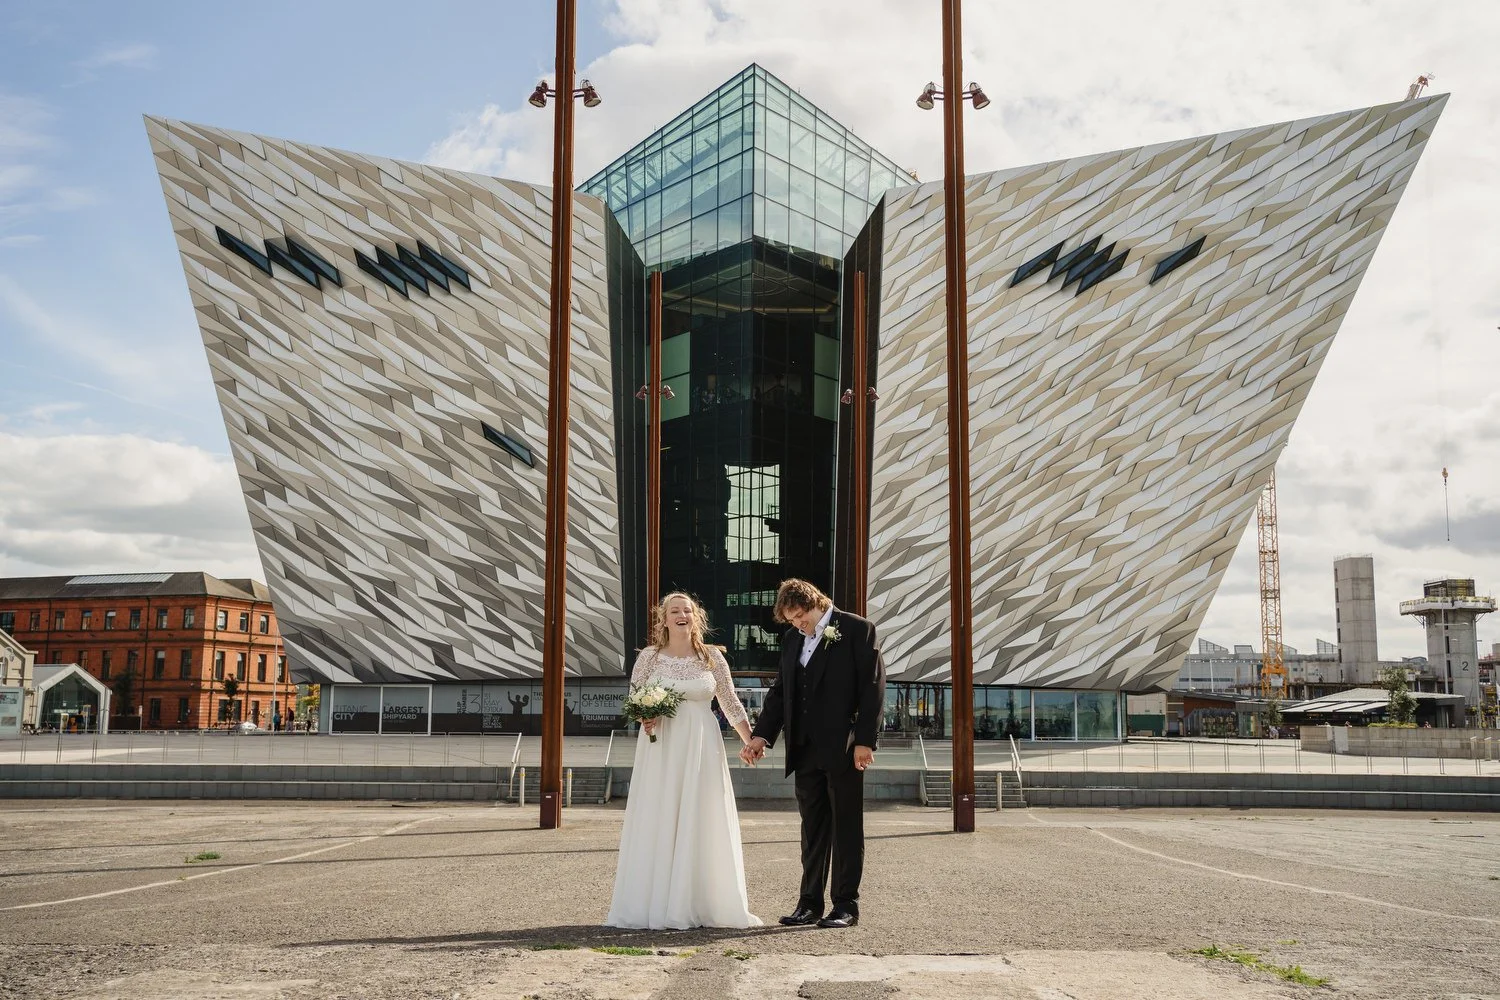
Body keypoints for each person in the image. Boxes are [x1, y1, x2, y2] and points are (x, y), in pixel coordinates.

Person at [604, 592, 762, 929]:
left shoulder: (712, 657)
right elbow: (635, 699)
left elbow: (730, 702)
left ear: (696, 617)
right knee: (661, 813)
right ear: (663, 619)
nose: (681, 615)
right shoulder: (649, 657)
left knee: (701, 814)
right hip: (661, 747)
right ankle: (657, 902)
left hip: (702, 746)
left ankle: (702, 902)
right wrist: (644, 716)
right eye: (674, 610)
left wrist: (751, 741)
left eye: (687, 610)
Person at [741, 578, 885, 929]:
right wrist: (761, 736)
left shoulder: (858, 629)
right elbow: (781, 692)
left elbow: (873, 687)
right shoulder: (793, 640)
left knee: (846, 828)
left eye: (800, 616)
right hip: (803, 749)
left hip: (843, 748)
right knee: (812, 830)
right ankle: (809, 905)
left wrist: (865, 740)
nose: (797, 625)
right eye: (791, 620)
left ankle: (846, 906)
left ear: (817, 603)